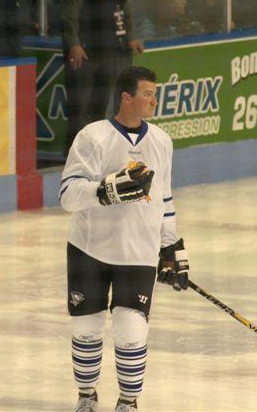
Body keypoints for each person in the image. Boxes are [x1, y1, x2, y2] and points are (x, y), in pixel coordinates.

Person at [59, 66, 190, 412]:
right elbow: (68, 196)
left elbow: (165, 199)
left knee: (131, 330)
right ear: (126, 97)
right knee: (86, 327)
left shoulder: (162, 141)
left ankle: (128, 402)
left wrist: (171, 248)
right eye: (147, 93)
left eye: (155, 94)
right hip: (90, 248)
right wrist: (103, 191)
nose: (154, 100)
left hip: (138, 252)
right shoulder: (93, 137)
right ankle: (87, 397)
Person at [62, 0, 144, 156]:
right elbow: (70, 15)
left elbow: (123, 7)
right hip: (86, 54)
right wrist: (74, 44)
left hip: (110, 51)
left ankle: (95, 152)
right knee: (80, 108)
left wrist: (130, 36)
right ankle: (74, 153)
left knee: (100, 107)